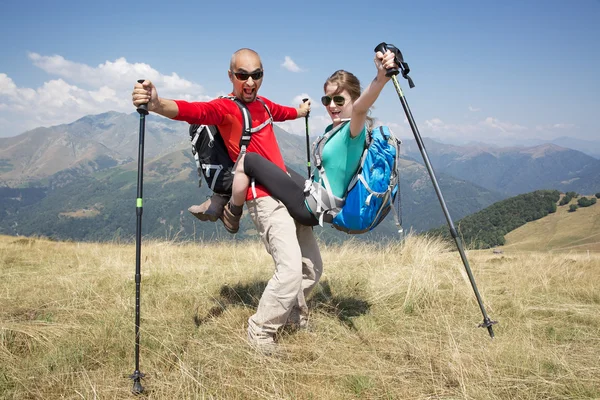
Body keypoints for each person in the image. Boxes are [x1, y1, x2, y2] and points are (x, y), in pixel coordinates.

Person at [131, 48, 323, 354]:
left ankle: (293, 316)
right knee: (289, 270)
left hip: (288, 192)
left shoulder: (264, 105)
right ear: (231, 75)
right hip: (263, 199)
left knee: (312, 268)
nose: (250, 81)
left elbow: (287, 113)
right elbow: (194, 111)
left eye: (256, 75)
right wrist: (155, 103)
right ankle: (260, 332)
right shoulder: (226, 109)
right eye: (242, 75)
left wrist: (301, 110)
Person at [194, 50, 399, 229]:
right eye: (327, 99)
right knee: (276, 167)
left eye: (339, 99)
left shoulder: (352, 132)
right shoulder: (335, 129)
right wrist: (301, 112)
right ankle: (221, 198)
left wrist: (381, 78)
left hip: (309, 208)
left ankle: (231, 214)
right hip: (314, 198)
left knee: (250, 160)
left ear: (353, 100)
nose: (331, 105)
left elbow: (361, 109)